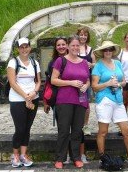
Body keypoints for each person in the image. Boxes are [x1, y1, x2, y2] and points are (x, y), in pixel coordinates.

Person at [91, 40, 128, 161]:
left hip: (118, 99)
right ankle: (102, 157)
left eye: (110, 49)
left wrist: (118, 84)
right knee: (103, 131)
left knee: (126, 131)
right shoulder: (98, 65)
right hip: (104, 100)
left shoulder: (118, 63)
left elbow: (124, 81)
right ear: (102, 52)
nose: (108, 51)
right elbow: (94, 87)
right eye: (105, 49)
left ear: (113, 51)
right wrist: (107, 83)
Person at [51, 35, 90, 169]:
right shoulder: (61, 61)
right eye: (72, 45)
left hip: (81, 100)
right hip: (65, 100)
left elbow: (88, 79)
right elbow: (53, 80)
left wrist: (86, 85)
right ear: (68, 46)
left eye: (77, 45)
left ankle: (76, 157)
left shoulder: (84, 62)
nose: (75, 48)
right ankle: (60, 158)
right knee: (63, 130)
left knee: (77, 130)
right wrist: (71, 83)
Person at [7, 37, 41, 168]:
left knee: (27, 128)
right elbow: (12, 83)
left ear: (30, 48)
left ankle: (23, 155)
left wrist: (33, 93)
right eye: (22, 47)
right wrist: (26, 97)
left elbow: (38, 81)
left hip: (33, 98)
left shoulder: (34, 62)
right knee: (20, 128)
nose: (24, 49)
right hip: (18, 100)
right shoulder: (13, 62)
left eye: (26, 46)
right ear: (18, 49)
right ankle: (15, 155)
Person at [76, 27, 96, 136]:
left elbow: (95, 63)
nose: (83, 36)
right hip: (74, 79)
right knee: (75, 102)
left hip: (86, 80)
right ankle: (76, 125)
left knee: (86, 103)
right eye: (81, 34)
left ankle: (85, 124)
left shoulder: (90, 49)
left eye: (85, 35)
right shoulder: (74, 47)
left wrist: (91, 65)